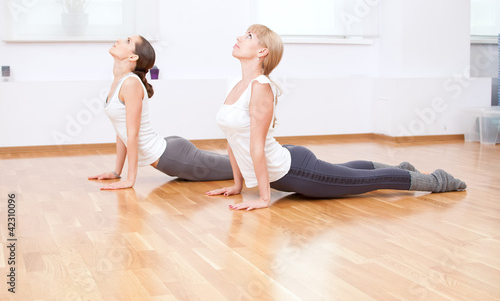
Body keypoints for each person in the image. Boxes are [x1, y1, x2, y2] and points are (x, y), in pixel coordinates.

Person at [206, 24, 467, 210]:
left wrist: (264, 199)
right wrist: (238, 186)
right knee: (344, 172)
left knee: (365, 182)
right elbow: (233, 138)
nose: (240, 37)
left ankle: (437, 180)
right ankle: (401, 169)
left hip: (295, 170)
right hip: (289, 159)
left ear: (262, 51)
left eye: (248, 35)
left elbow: (256, 147)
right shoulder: (235, 84)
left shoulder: (260, 86)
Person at [88, 35, 232, 190]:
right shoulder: (120, 82)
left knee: (239, 167)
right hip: (170, 150)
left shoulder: (131, 83)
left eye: (128, 41)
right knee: (235, 162)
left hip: (173, 157)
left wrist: (130, 180)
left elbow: (133, 135)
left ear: (133, 56)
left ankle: (260, 156)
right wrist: (116, 172)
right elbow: (121, 131)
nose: (120, 40)